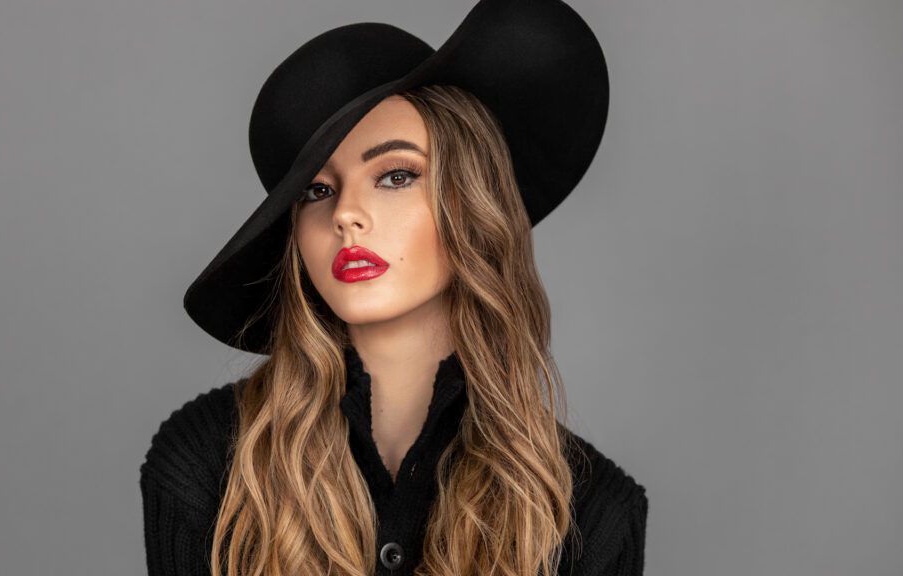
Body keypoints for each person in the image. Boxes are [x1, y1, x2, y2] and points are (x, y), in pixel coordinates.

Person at [140, 1, 647, 575]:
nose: (345, 215)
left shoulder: (591, 511)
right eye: (315, 191)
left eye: (395, 175)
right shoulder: (208, 462)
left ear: (471, 202)